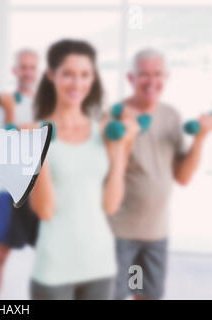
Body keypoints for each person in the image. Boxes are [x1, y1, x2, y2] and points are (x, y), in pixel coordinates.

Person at [29, 39, 139, 300]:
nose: (77, 84)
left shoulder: (104, 131)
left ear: (93, 78)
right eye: (68, 74)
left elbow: (111, 206)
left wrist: (123, 147)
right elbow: (45, 211)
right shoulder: (35, 134)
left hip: (99, 263)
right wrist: (37, 151)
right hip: (54, 266)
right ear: (51, 75)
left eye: (84, 75)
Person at [108, 49, 212, 300]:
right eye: (143, 74)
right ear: (130, 78)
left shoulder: (170, 115)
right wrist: (126, 137)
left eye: (157, 74)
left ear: (166, 77)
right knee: (116, 295)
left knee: (144, 294)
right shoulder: (114, 116)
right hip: (121, 233)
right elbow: (109, 172)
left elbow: (182, 177)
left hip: (155, 234)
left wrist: (200, 138)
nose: (151, 81)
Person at [0, 48, 41, 300]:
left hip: (43, 192)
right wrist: (23, 127)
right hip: (10, 191)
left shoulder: (46, 103)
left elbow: (51, 139)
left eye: (32, 67)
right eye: (23, 67)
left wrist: (19, 128)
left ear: (37, 70)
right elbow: (1, 146)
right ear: (15, 71)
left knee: (51, 257)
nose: (27, 72)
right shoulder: (3, 104)